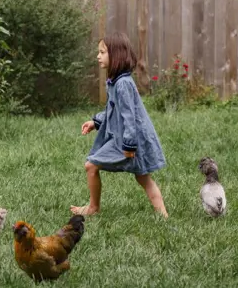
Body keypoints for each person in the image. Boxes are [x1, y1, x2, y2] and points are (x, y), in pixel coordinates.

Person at [71, 32, 168, 218]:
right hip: (125, 139)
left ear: (116, 56)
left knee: (91, 166)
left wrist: (129, 145)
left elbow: (129, 117)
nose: (97, 56)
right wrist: (96, 121)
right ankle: (163, 215)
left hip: (128, 141)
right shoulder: (116, 82)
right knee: (143, 177)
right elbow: (112, 109)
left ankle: (93, 208)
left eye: (102, 52)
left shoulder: (123, 84)